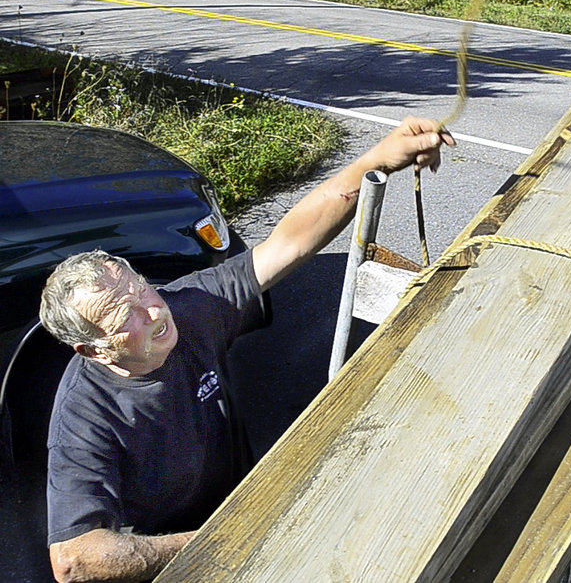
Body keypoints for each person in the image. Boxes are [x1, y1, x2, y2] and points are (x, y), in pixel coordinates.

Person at [38, 117, 454, 583]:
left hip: (243, 503)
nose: (155, 312)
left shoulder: (186, 310)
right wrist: (222, 538)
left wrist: (376, 158)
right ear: (94, 351)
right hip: (174, 556)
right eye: (125, 316)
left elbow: (288, 243)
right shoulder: (84, 417)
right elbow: (74, 559)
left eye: (142, 289)